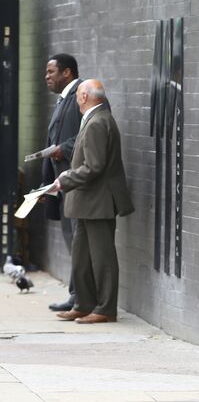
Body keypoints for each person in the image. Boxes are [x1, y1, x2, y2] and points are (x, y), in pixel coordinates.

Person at [50, 79, 134, 324]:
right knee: (82, 257)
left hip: (99, 202)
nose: (76, 98)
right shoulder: (95, 118)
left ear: (84, 96)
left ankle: (106, 309)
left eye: (77, 94)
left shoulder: (98, 122)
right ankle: (84, 304)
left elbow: (94, 166)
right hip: (87, 202)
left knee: (102, 258)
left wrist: (66, 179)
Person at [43, 53, 82, 312]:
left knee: (77, 241)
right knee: (71, 240)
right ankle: (76, 294)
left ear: (67, 73)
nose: (47, 77)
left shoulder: (81, 95)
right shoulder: (62, 100)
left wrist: (64, 149)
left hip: (76, 182)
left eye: (51, 72)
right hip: (63, 183)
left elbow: (87, 133)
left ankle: (78, 297)